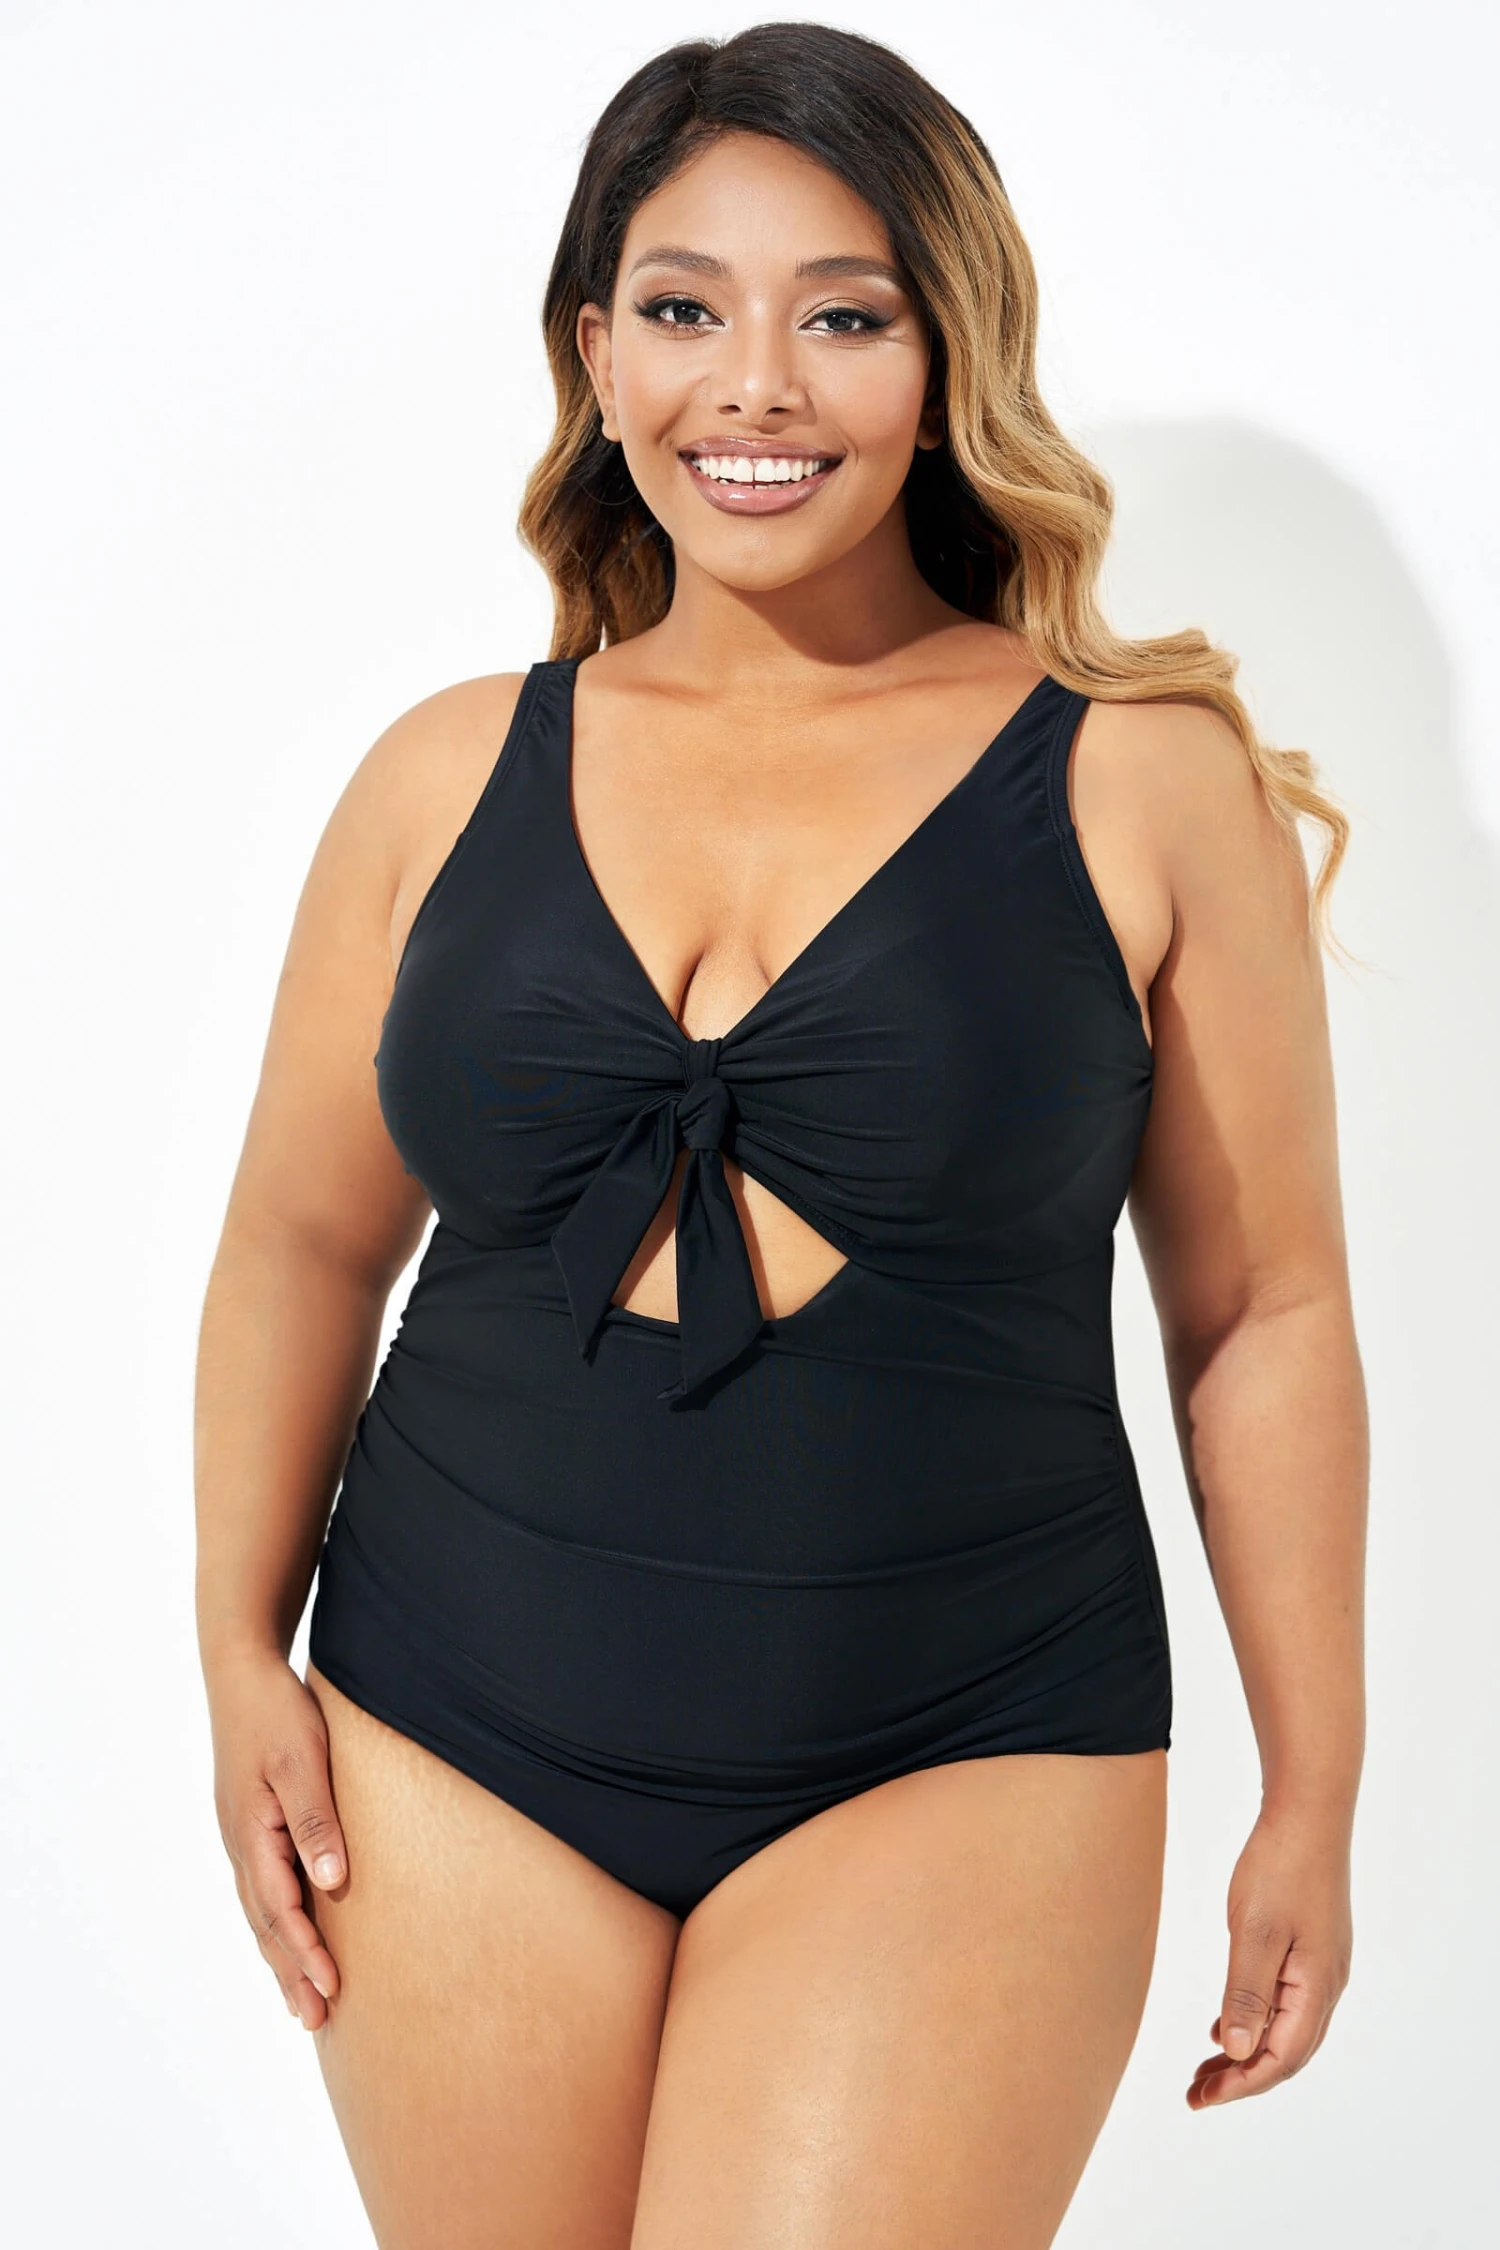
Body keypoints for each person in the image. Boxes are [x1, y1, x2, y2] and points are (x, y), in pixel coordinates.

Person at [194, 22, 1368, 2248]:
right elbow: (300, 1244)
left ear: (947, 359)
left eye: (844, 316)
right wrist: (236, 1648)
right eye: (682, 307)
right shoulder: (441, 775)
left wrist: (1316, 1784)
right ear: (595, 352)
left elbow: (1262, 1310)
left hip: (963, 1739)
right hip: (448, 1720)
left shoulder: (1139, 777)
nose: (755, 385)